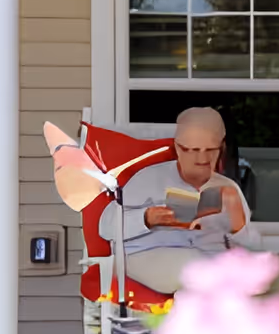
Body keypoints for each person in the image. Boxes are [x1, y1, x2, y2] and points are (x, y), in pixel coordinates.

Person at [99, 107, 257, 295]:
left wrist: (238, 223)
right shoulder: (148, 179)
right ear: (177, 149)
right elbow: (105, 226)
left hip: (207, 259)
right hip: (147, 255)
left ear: (221, 149)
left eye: (211, 150)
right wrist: (147, 218)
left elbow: (248, 247)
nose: (202, 158)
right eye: (194, 150)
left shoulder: (227, 187)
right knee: (194, 269)